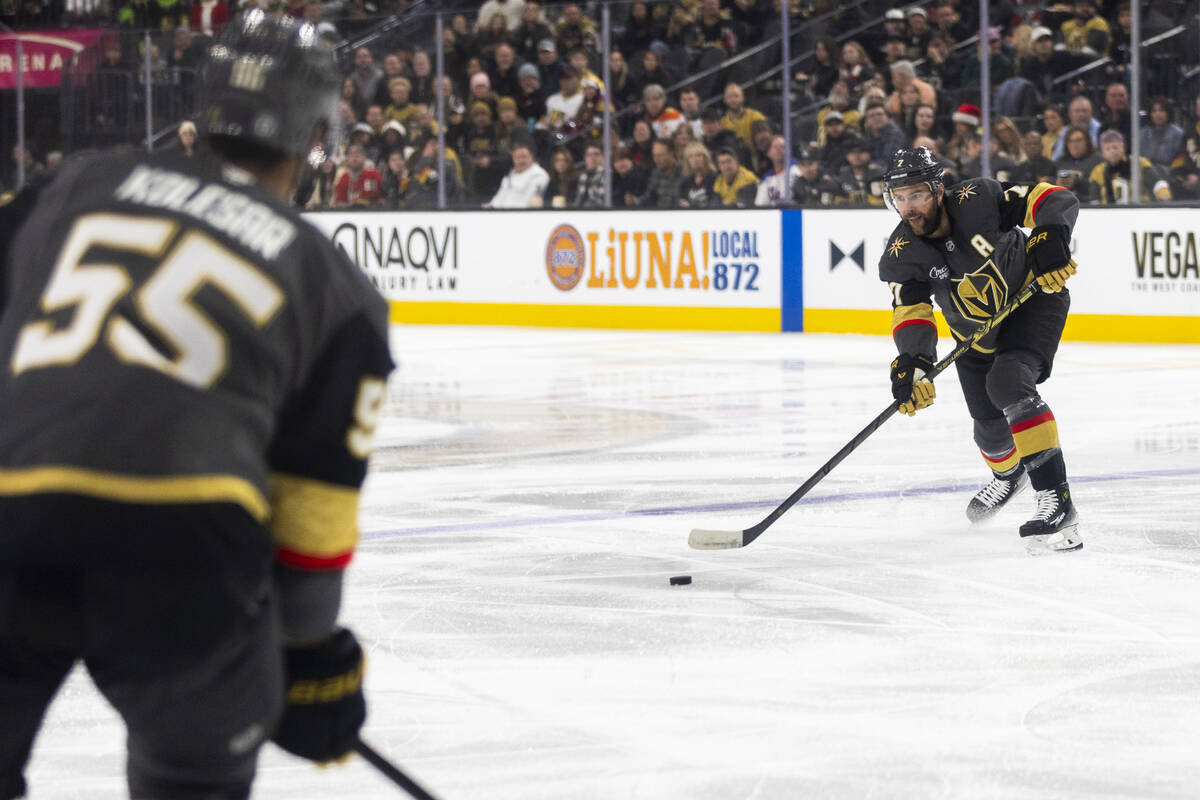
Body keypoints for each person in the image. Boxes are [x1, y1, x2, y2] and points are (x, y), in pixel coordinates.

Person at [0, 13, 389, 799]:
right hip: (184, 542)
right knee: (191, 775)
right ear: (314, 134)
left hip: (14, 509)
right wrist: (309, 661)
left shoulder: (73, 186)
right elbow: (311, 525)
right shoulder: (337, 290)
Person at [878, 145, 1082, 553]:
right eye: (899, 198)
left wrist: (1050, 236)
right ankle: (1009, 476)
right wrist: (914, 362)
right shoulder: (901, 254)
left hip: (1033, 300)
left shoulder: (980, 199)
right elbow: (911, 312)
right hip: (973, 335)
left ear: (938, 190)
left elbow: (1055, 198)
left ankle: (1058, 501)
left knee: (1009, 385)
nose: (908, 208)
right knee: (988, 429)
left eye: (916, 195)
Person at [1088, 129, 1173, 204]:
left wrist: (1163, 196)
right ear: (1102, 152)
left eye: (1115, 147)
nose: (1112, 152)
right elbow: (1094, 199)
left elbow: (1157, 183)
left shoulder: (1139, 163)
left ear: (1123, 147)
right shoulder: (1097, 171)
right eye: (1108, 149)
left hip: (1139, 211)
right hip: (1108, 214)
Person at [488, 141, 549, 207]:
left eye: (524, 157)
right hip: (500, 213)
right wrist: (491, 206)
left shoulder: (539, 175)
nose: (521, 160)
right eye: (517, 157)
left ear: (532, 157)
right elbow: (500, 195)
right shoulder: (511, 174)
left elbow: (527, 201)